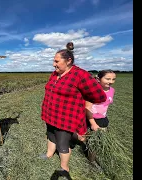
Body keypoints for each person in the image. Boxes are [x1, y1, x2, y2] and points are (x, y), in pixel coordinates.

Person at [39, 42, 107, 179]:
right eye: (54, 61)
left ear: (68, 60)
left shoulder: (80, 75)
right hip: (50, 113)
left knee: (63, 142)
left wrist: (84, 102)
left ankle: (64, 168)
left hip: (66, 116)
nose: (54, 64)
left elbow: (99, 96)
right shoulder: (55, 74)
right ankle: (49, 153)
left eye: (57, 61)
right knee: (51, 133)